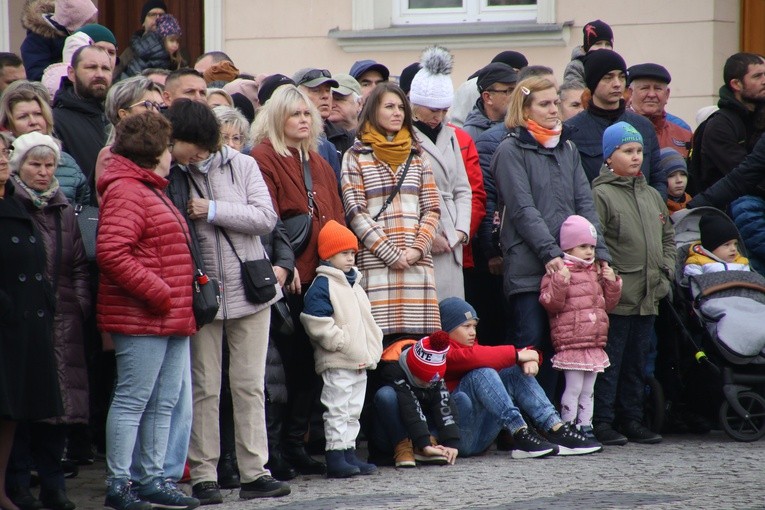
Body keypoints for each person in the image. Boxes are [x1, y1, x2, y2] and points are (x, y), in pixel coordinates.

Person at [96, 112, 198, 510]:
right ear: (155, 151)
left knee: (163, 400)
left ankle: (152, 478)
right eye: (168, 147)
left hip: (167, 314)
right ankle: (120, 484)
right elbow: (112, 253)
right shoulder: (126, 189)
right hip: (143, 315)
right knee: (133, 399)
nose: (172, 155)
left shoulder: (146, 187)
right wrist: (158, 292)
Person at [491, 76, 610, 400]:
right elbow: (522, 208)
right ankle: (526, 426)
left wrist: (599, 253)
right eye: (544, 104)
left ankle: (560, 422)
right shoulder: (510, 150)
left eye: (555, 102)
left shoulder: (566, 148)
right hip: (532, 267)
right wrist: (550, 253)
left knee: (567, 345)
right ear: (524, 108)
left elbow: (584, 203)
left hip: (568, 268)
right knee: (531, 344)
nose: (554, 109)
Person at [251, 84, 346, 477]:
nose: (304, 120)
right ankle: (277, 452)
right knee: (285, 369)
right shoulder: (263, 157)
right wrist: (285, 264)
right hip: (288, 278)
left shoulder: (320, 161)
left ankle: (296, 443)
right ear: (277, 118)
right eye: (295, 114)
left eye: (308, 114)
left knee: (310, 366)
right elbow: (267, 222)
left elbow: (335, 216)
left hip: (320, 277)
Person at [5, 132, 89, 510]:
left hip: (62, 315)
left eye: (49, 165)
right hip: (22, 316)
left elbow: (78, 266)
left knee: (59, 406)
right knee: (21, 403)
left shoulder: (64, 208)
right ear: (19, 167)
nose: (42, 172)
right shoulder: (13, 206)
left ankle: (55, 484)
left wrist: (79, 307)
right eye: (34, 165)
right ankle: (18, 483)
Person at [591, 121, 675, 446]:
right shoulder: (601, 195)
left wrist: (666, 270)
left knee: (637, 363)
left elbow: (667, 236)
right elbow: (598, 243)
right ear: (609, 157)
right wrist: (610, 278)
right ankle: (603, 421)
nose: (636, 156)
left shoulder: (653, 195)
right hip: (618, 297)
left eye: (639, 150)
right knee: (611, 362)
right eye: (627, 151)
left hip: (649, 295)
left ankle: (632, 419)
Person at [440, 297, 602, 458]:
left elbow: (487, 356)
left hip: (481, 437)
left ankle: (556, 428)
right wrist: (520, 356)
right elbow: (472, 357)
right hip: (457, 440)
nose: (472, 332)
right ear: (447, 329)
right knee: (482, 372)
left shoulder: (473, 350)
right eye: (466, 326)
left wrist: (530, 357)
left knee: (511, 371)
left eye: (474, 326)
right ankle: (519, 431)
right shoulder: (440, 353)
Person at [340, 82, 442, 337]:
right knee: (379, 347)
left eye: (401, 107)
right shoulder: (355, 155)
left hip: (416, 266)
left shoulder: (417, 156)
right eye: (389, 106)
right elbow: (355, 211)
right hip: (377, 264)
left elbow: (431, 209)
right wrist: (391, 253)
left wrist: (418, 249)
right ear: (374, 111)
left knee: (417, 352)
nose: (398, 112)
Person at [0, 131, 63, 510]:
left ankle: (1, 491)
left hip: (20, 325)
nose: (3, 159)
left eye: (4, 151)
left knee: (10, 413)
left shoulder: (15, 204)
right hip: (5, 320)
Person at [299, 220, 383, 478]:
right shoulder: (324, 284)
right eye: (344, 253)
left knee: (353, 410)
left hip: (358, 359)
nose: (350, 258)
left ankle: (348, 452)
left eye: (352, 253)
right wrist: (341, 343)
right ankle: (335, 455)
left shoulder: (353, 284)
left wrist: (372, 343)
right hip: (338, 359)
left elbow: (366, 319)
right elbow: (316, 321)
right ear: (328, 254)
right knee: (337, 408)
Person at [538, 215, 622, 437]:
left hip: (593, 341)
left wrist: (612, 282)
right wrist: (560, 282)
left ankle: (586, 425)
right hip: (572, 341)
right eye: (583, 246)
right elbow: (551, 304)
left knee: (588, 390)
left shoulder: (595, 271)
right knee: (573, 388)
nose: (589, 251)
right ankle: (567, 426)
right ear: (568, 247)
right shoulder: (558, 271)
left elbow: (609, 305)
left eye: (592, 247)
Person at [408, 46, 472, 299]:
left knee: (454, 316)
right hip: (423, 235)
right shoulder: (405, 137)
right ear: (416, 105)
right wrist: (428, 236)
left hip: (452, 237)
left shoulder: (452, 135)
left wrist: (461, 230)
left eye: (444, 110)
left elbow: (462, 188)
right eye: (433, 110)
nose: (439, 117)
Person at [565, 50, 666, 198]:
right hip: (597, 215)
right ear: (593, 83)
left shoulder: (643, 126)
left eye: (622, 77)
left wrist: (656, 212)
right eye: (608, 77)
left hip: (641, 214)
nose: (617, 84)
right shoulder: (572, 131)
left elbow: (657, 177)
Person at [371, 332, 459, 467]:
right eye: (424, 379)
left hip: (422, 429)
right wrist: (423, 442)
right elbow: (410, 406)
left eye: (433, 381)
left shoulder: (435, 374)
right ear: (412, 369)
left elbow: (443, 404)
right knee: (386, 395)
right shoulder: (392, 368)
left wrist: (451, 443)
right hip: (392, 430)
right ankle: (403, 446)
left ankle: (431, 443)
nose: (429, 384)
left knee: (459, 399)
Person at [0, 80, 90, 205]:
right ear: (7, 125)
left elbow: (84, 210)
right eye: (23, 116)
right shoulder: (3, 163)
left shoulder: (68, 163)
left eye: (38, 114)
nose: (33, 121)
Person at [696, 52, 765, 191]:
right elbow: (746, 177)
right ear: (736, 84)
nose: (764, 80)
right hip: (732, 207)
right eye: (757, 76)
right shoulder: (720, 125)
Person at [52, 45, 112, 198]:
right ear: (71, 73)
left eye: (106, 68)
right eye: (91, 67)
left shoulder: (118, 117)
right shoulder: (55, 120)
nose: (100, 74)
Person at [94, 75, 165, 203]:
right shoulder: (110, 154)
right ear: (123, 114)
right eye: (147, 105)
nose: (155, 112)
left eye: (157, 106)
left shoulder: (162, 151)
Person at [20, 0, 97, 81]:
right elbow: (37, 75)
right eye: (87, 23)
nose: (92, 27)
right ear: (73, 24)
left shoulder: (82, 36)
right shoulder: (36, 41)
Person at [627, 63, 692, 158]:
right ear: (630, 93)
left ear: (667, 94)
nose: (652, 94)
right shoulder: (616, 130)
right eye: (645, 88)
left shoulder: (684, 135)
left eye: (658, 89)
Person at [117, 13, 184, 80]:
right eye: (172, 40)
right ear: (162, 40)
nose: (176, 45)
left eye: (177, 41)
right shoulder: (159, 57)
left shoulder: (166, 56)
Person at [462, 62, 518, 141]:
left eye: (517, 90)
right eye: (509, 91)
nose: (516, 96)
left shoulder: (523, 125)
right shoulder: (469, 136)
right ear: (488, 97)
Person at [684, 215, 750, 276]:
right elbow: (694, 284)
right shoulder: (697, 262)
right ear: (711, 247)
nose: (733, 249)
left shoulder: (742, 262)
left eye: (735, 244)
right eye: (727, 244)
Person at [563, 19, 613, 87]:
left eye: (607, 44)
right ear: (587, 47)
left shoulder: (615, 66)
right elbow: (573, 94)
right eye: (598, 44)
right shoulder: (576, 67)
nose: (603, 48)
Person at [663, 148, 691, 213]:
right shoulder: (656, 209)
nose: (679, 180)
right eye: (671, 175)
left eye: (683, 174)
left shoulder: (692, 203)